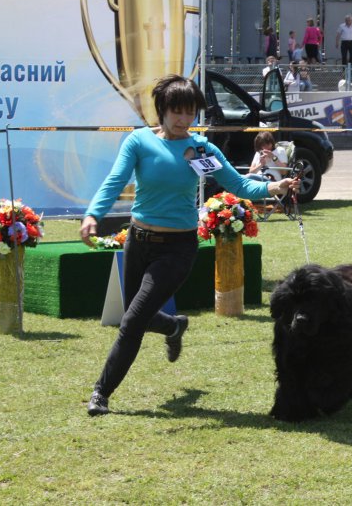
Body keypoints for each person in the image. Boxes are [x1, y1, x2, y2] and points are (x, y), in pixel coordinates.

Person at [80, 75, 298, 417]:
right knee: (137, 315)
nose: (184, 120)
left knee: (132, 322)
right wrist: (93, 214)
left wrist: (274, 187)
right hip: (138, 241)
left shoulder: (202, 150)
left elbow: (238, 183)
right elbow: (115, 180)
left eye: (190, 113)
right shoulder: (138, 142)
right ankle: (173, 325)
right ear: (162, 111)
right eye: (177, 112)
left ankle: (100, 393)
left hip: (177, 247)